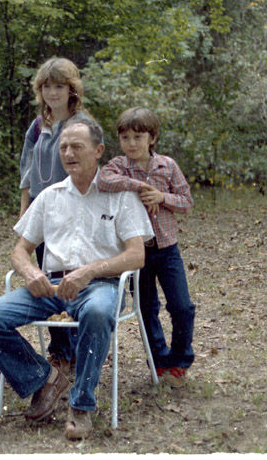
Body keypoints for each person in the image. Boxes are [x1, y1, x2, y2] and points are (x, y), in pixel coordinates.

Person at [0, 116, 154, 440]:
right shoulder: (50, 196)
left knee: (98, 313)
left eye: (77, 146)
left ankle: (81, 405)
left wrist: (89, 271)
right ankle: (43, 379)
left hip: (100, 284)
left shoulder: (120, 194)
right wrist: (30, 271)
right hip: (51, 286)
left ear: (98, 150)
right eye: (64, 147)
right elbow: (20, 250)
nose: (69, 153)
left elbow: (136, 255)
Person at [97, 106, 195, 387]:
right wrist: (139, 187)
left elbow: (186, 202)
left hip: (166, 248)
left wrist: (160, 196)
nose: (132, 144)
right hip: (135, 251)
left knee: (181, 306)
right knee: (147, 307)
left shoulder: (167, 165)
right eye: (125, 137)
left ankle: (180, 359)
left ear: (152, 138)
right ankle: (159, 360)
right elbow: (104, 180)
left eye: (138, 137)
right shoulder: (118, 165)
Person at [18, 57, 92, 375]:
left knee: (69, 277)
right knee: (46, 282)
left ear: (71, 89)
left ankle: (78, 348)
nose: (52, 93)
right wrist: (24, 212)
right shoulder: (38, 126)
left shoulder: (82, 124)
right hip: (40, 210)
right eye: (47, 86)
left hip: (71, 213)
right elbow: (26, 172)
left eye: (59, 86)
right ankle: (59, 350)